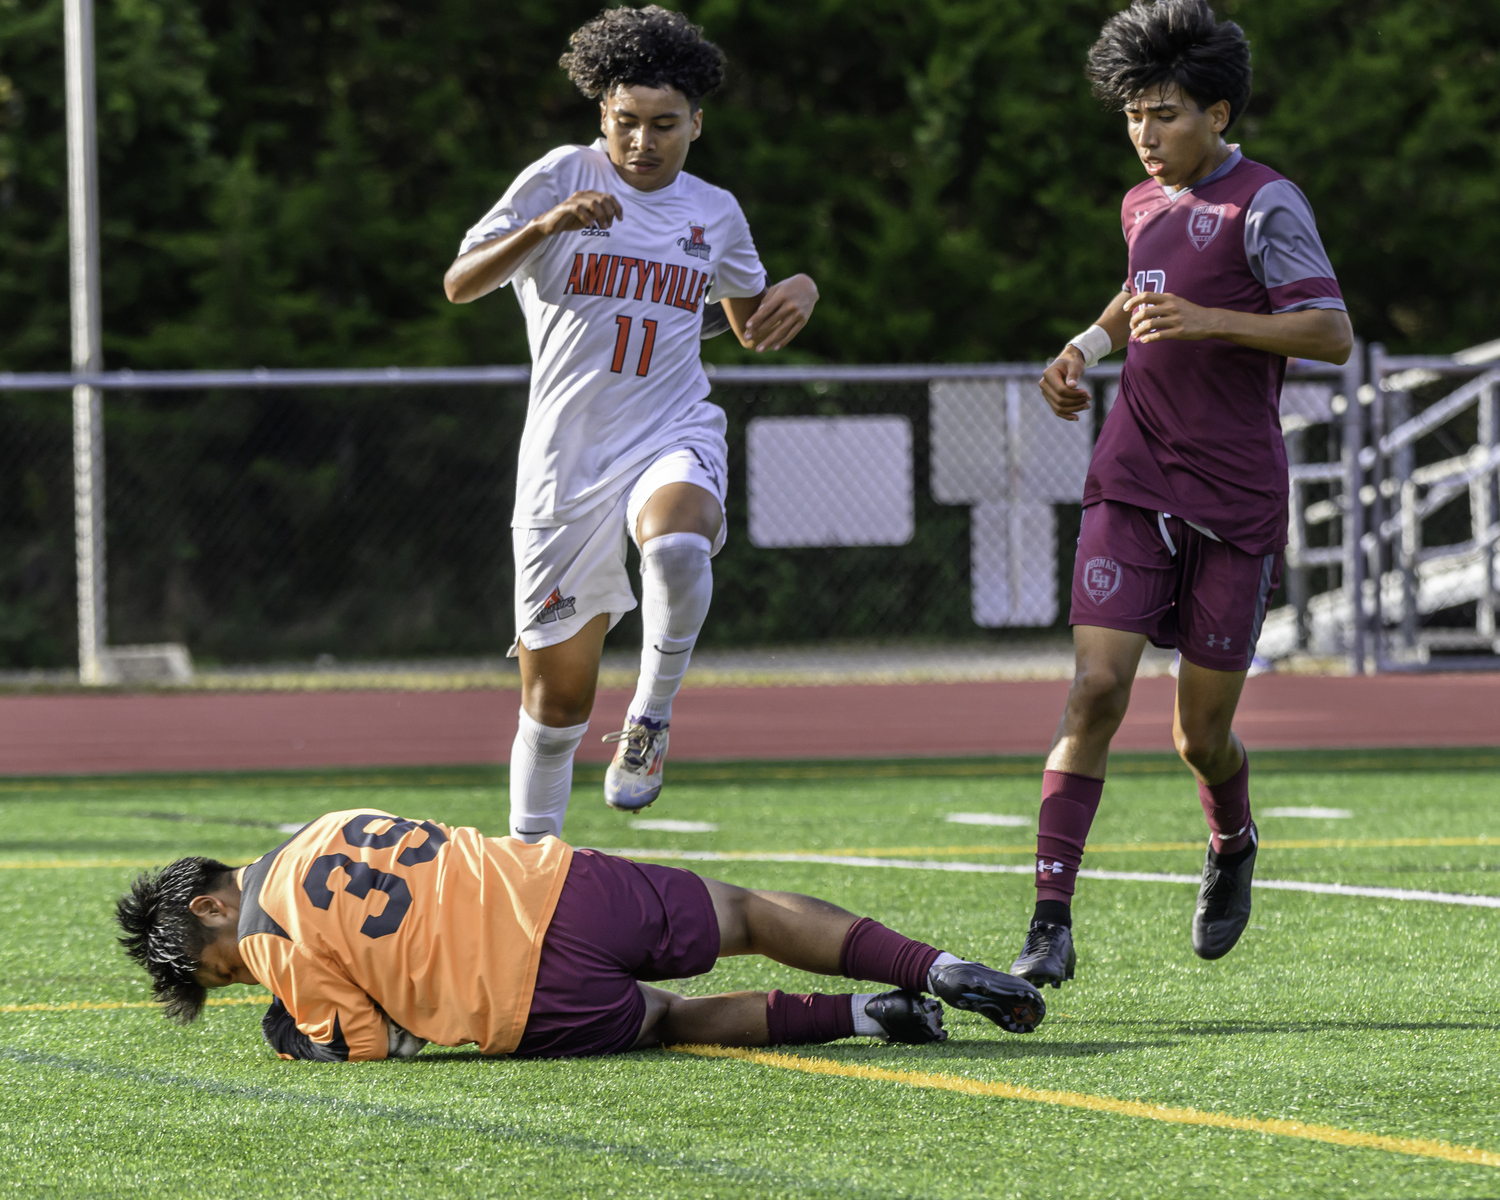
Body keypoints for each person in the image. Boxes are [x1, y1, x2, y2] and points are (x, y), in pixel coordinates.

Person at [1013, 0, 1353, 986]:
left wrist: (1210, 321)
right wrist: (1083, 348)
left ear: (1218, 109)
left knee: (1198, 736)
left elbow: (1330, 333)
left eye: (1163, 114)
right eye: (1131, 115)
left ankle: (1233, 841)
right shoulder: (1137, 204)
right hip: (1132, 473)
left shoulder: (1268, 205)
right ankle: (1048, 922)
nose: (1144, 135)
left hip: (1237, 494)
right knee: (1095, 689)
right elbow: (1137, 293)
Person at [442, 7, 819, 835]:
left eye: (663, 125)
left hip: (671, 427)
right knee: (555, 705)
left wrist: (800, 291)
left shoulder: (714, 211)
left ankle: (650, 718)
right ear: (600, 116)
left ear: (696, 124)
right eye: (626, 124)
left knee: (679, 543)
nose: (642, 143)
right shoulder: (560, 174)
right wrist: (547, 225)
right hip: (566, 458)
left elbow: (748, 324)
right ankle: (530, 873)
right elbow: (460, 283)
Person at [114, 809, 1046, 1061]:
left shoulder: (267, 932)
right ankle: (939, 966)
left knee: (672, 1020)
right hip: (558, 886)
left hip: (525, 998)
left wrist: (294, 1036)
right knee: (754, 913)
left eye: (225, 971)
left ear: (207, 908)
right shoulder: (326, 823)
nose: (249, 977)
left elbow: (358, 1043)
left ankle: (869, 1017)